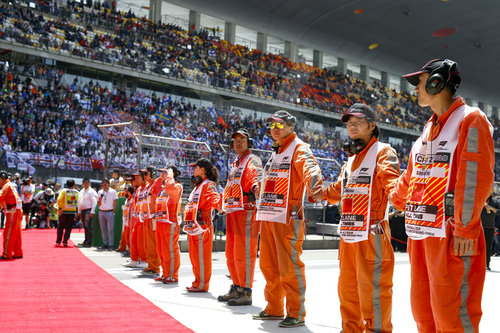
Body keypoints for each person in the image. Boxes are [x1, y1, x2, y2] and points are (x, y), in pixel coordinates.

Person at [390, 59, 494, 332]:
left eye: (419, 82)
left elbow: (475, 178)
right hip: (422, 236)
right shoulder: (427, 130)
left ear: (438, 81)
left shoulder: (470, 119)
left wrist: (465, 229)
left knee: (453, 314)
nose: (415, 89)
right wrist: (390, 198)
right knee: (424, 313)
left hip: (451, 235)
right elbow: (411, 178)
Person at [316, 104, 400, 332]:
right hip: (349, 235)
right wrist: (318, 192)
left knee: (374, 290)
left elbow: (392, 182)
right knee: (348, 289)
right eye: (348, 122)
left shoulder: (383, 152)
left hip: (373, 235)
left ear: (372, 125)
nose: (351, 125)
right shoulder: (351, 160)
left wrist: (399, 195)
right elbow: (337, 190)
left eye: (358, 121)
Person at [253, 110, 323, 328]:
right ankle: (274, 307)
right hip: (269, 214)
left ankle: (296, 312)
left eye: (280, 125)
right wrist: (259, 188)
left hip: (288, 217)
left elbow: (310, 169)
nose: (275, 129)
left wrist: (316, 186)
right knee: (269, 265)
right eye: (272, 126)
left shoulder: (298, 147)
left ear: (291, 127)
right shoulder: (276, 151)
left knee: (290, 267)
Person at [219, 129, 263, 306]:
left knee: (244, 253)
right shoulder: (236, 163)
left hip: (246, 210)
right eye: (235, 140)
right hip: (233, 211)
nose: (238, 142)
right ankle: (237, 287)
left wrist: (257, 188)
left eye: (242, 140)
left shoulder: (252, 160)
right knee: (231, 253)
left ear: (248, 142)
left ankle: (246, 291)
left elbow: (257, 177)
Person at [183, 158, 221, 292]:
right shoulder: (198, 186)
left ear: (202, 170)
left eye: (195, 167)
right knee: (194, 256)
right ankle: (197, 281)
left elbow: (213, 197)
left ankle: (202, 284)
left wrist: (219, 204)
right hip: (194, 224)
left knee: (201, 257)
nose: (193, 170)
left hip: (203, 225)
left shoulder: (208, 184)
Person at [154, 166, 183, 284]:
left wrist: (169, 175)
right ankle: (165, 273)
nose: (163, 174)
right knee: (161, 250)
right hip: (161, 221)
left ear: (172, 174)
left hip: (170, 222)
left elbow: (170, 187)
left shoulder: (177, 186)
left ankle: (172, 275)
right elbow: (155, 190)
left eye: (165, 172)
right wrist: (160, 178)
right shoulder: (163, 188)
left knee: (170, 250)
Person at [139, 166, 163, 276]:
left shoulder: (156, 185)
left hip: (153, 217)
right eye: (143, 174)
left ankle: (155, 267)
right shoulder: (147, 186)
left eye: (146, 174)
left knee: (153, 243)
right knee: (147, 244)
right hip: (146, 217)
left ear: (152, 174)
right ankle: (150, 265)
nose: (144, 176)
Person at [123, 172, 148, 268]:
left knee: (141, 241)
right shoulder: (138, 190)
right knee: (134, 241)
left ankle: (145, 259)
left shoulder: (146, 188)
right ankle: (134, 258)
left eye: (137, 178)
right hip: (135, 218)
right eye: (135, 178)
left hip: (142, 219)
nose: (135, 180)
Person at [0, 170, 23, 259]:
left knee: (8, 233)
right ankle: (18, 252)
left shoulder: (6, 186)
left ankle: (7, 253)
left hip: (13, 211)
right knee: (16, 233)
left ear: (2, 178)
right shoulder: (10, 184)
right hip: (17, 210)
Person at [480, 189, 500, 271]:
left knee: (488, 247)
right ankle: (477, 264)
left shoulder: (495, 201)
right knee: (477, 247)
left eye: (491, 189)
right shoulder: (480, 199)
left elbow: (499, 212)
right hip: (479, 226)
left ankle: (486, 264)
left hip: (490, 227)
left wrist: (491, 208)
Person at [96, 178, 118, 250]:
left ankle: (111, 244)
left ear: (108, 184)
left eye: (106, 183)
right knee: (103, 229)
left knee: (110, 229)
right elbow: (98, 204)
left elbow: (115, 202)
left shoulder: (113, 191)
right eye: (103, 184)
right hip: (101, 212)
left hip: (110, 212)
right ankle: (105, 244)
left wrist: (113, 211)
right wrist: (100, 199)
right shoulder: (100, 192)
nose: (105, 185)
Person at [56, 179, 79, 247]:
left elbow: (59, 199)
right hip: (72, 212)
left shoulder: (64, 191)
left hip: (63, 211)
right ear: (74, 184)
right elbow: (78, 201)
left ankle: (58, 241)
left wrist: (60, 208)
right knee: (68, 227)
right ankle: (65, 241)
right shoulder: (77, 192)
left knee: (60, 227)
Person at [77, 177, 98, 247]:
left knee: (88, 226)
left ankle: (88, 241)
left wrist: (92, 212)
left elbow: (94, 202)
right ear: (82, 184)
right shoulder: (81, 191)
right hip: (82, 210)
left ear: (89, 183)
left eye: (87, 183)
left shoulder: (91, 191)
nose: (86, 184)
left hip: (88, 210)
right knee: (85, 227)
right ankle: (86, 240)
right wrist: (79, 211)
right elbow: (79, 202)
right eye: (84, 183)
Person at [117, 183, 134, 253]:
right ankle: (123, 247)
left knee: (129, 235)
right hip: (125, 219)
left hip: (131, 220)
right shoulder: (126, 200)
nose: (125, 193)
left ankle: (129, 249)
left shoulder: (132, 199)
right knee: (125, 235)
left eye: (127, 191)